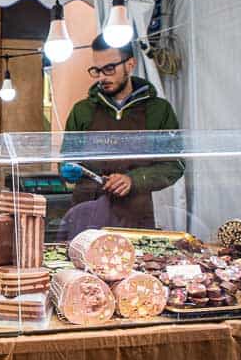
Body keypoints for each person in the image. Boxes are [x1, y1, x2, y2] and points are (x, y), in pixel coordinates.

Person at [60, 34, 184, 231]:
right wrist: (68, 171)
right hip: (87, 216)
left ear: (130, 64)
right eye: (97, 70)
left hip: (134, 216)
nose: (102, 77)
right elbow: (66, 161)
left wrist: (134, 180)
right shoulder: (82, 111)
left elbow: (174, 165)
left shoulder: (158, 110)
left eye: (109, 69)